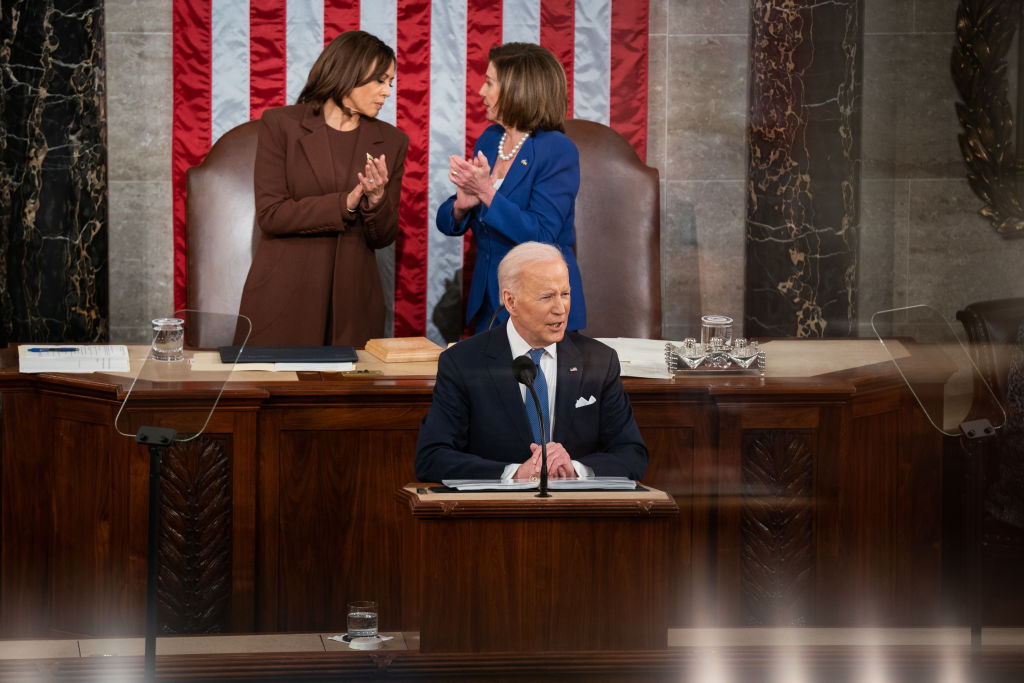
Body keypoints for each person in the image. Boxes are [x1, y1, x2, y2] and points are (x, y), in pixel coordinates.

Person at [415, 242, 647, 482]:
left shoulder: (599, 361)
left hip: (578, 512)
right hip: (496, 514)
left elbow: (632, 454)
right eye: (547, 297)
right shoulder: (462, 363)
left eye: (565, 294)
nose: (561, 309)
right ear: (511, 301)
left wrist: (575, 469)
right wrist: (515, 473)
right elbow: (431, 457)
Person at [237, 30, 409, 347]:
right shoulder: (281, 125)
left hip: (353, 307)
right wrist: (345, 203)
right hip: (285, 299)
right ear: (349, 73)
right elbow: (271, 215)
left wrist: (376, 200)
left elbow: (383, 237)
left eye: (390, 83)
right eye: (380, 81)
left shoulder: (393, 141)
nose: (387, 92)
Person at [436, 42, 586, 335]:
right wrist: (461, 206)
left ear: (519, 89)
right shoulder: (490, 139)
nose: (481, 91)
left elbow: (542, 236)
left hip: (540, 306)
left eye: (490, 82)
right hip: (490, 304)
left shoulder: (556, 149)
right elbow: (449, 221)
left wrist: (487, 194)